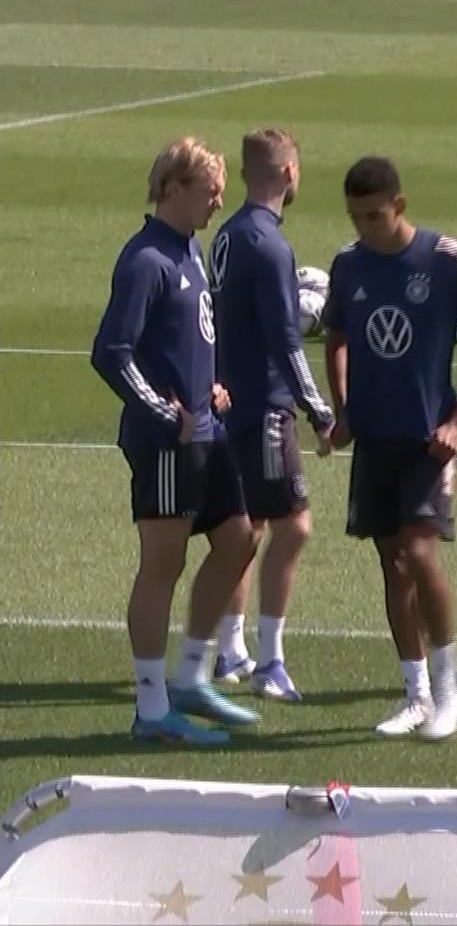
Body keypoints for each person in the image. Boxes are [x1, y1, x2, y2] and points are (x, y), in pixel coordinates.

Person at [92, 136, 262, 745]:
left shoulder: (189, 250)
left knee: (239, 539)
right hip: (166, 443)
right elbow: (111, 352)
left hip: (207, 432)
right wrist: (166, 414)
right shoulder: (146, 260)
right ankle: (151, 707)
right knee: (163, 564)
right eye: (209, 191)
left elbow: (182, 337)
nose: (218, 201)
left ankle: (190, 676)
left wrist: (208, 385)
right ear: (172, 189)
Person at [322, 156, 457, 742]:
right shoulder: (348, 265)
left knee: (420, 554)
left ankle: (450, 690)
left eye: (374, 216)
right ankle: (416, 694)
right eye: (355, 217)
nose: (364, 227)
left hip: (428, 441)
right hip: (375, 439)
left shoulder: (446, 259)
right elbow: (337, 337)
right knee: (392, 565)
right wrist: (343, 411)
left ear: (399, 205)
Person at [206, 127, 336, 702]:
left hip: (230, 404)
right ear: (288, 172)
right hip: (263, 408)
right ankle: (270, 661)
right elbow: (287, 341)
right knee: (293, 526)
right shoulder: (269, 244)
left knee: (248, 527)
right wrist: (320, 411)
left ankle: (230, 650)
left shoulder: (228, 235)